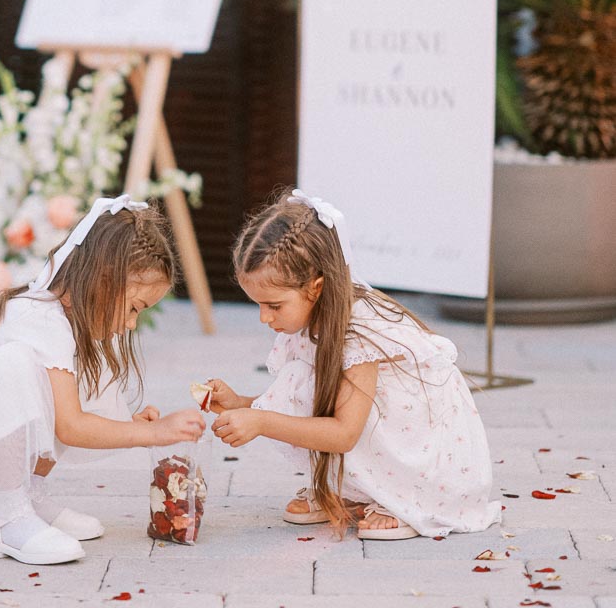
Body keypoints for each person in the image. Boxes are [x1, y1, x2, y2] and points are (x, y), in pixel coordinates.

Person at [0, 196, 204, 566]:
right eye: (134, 308)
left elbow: (65, 419)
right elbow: (72, 427)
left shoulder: (60, 323)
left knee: (61, 385)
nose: (130, 325)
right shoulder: (40, 317)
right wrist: (154, 435)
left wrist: (128, 427)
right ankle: (6, 520)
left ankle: (25, 495)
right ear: (103, 279)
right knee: (15, 365)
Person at [208, 189, 500, 540]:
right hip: (368, 423)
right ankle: (353, 491)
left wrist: (260, 421)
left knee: (313, 388)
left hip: (419, 448)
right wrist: (241, 404)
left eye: (273, 305)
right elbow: (309, 392)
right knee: (297, 376)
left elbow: (346, 433)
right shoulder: (307, 319)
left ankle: (402, 497)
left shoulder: (358, 332)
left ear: (316, 288)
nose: (263, 317)